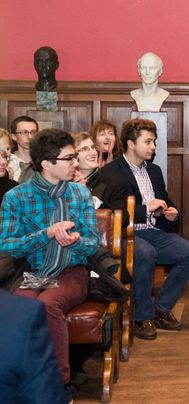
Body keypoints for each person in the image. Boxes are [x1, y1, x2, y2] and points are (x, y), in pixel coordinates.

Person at [0, 128, 99, 393]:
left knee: (47, 305)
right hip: (34, 271)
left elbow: (93, 244)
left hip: (71, 271)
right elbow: (7, 245)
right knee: (19, 306)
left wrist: (75, 240)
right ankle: (19, 380)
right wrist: (45, 235)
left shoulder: (79, 194)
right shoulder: (17, 197)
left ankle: (57, 384)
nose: (76, 163)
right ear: (46, 163)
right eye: (69, 158)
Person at [100, 118, 189, 340]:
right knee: (145, 253)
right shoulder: (112, 172)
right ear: (130, 143)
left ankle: (160, 308)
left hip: (155, 231)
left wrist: (171, 211)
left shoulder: (154, 170)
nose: (153, 147)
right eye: (148, 142)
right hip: (127, 234)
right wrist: (147, 208)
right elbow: (114, 213)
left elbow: (164, 200)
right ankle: (142, 317)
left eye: (153, 142)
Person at [0, 289, 67, 403]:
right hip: (26, 278)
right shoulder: (22, 314)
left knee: (48, 303)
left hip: (67, 277)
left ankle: (63, 379)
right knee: (24, 299)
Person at [8, 115, 39, 183]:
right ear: (14, 136)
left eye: (33, 132)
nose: (30, 137)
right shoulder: (7, 162)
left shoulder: (44, 161)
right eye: (24, 132)